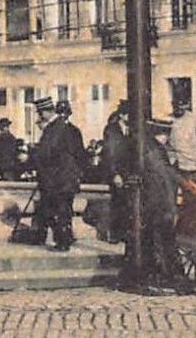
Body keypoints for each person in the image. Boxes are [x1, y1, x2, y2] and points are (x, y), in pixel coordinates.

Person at [137, 122, 196, 295]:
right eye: (167, 134)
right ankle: (173, 281)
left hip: (155, 205)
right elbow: (164, 180)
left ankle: (167, 279)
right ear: (161, 134)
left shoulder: (152, 150)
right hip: (160, 206)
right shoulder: (155, 153)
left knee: (160, 243)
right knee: (165, 244)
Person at [31, 98, 88, 252]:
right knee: (63, 209)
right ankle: (66, 238)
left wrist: (34, 157)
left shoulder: (54, 128)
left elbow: (48, 152)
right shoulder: (66, 128)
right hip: (66, 178)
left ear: (45, 112)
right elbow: (80, 155)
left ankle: (62, 242)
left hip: (57, 179)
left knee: (58, 210)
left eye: (40, 113)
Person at [102, 101, 134, 244]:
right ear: (122, 115)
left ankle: (127, 233)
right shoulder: (111, 130)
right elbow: (109, 154)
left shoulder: (132, 129)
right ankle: (115, 233)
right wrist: (114, 174)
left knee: (129, 203)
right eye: (129, 114)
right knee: (118, 203)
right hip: (118, 173)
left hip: (130, 173)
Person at [166, 100, 196, 179]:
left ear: (187, 105)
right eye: (176, 105)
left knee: (195, 188)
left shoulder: (194, 119)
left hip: (194, 164)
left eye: (182, 105)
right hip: (177, 164)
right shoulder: (169, 119)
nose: (179, 108)